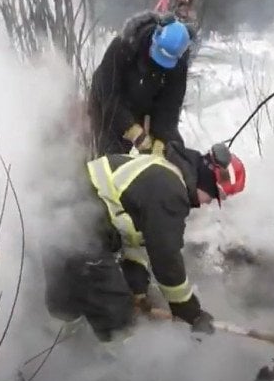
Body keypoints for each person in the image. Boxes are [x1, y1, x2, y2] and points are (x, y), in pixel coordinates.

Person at [43, 139, 247, 342]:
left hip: (59, 219)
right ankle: (116, 368)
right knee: (117, 314)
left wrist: (137, 287)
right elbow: (166, 255)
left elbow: (137, 237)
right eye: (212, 197)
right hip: (83, 227)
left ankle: (56, 343)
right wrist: (189, 310)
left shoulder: (160, 169)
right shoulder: (171, 191)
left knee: (67, 293)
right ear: (209, 181)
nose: (207, 203)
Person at [87, 11, 192, 157]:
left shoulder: (178, 65)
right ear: (155, 37)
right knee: (110, 154)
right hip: (108, 103)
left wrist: (161, 139)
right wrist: (132, 129)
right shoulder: (124, 47)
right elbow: (111, 98)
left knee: (168, 151)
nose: (158, 64)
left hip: (145, 103)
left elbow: (169, 107)